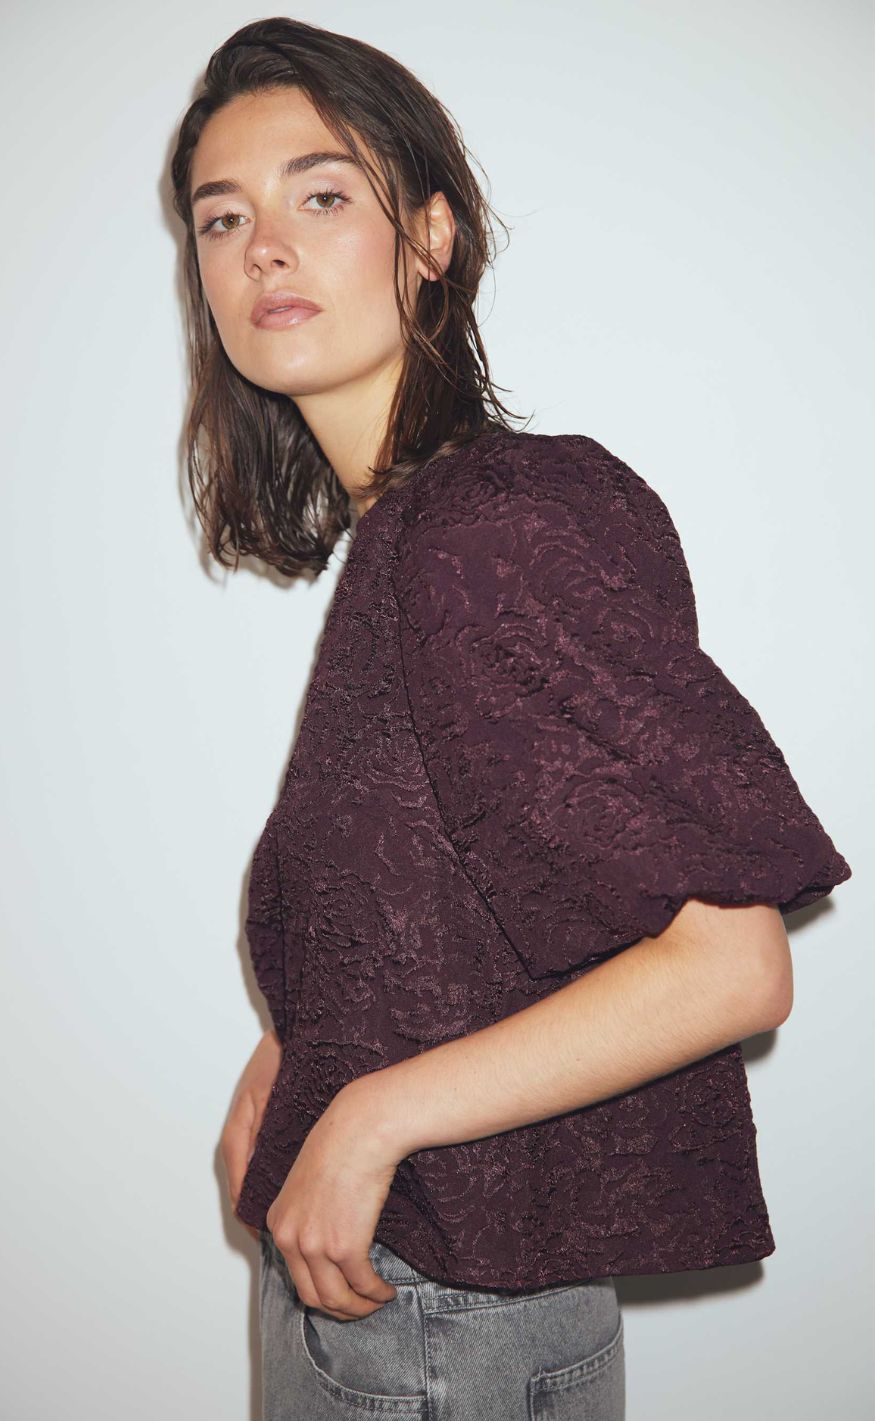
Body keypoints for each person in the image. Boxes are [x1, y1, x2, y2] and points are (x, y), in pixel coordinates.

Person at [170, 18, 852, 1420]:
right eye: (221, 217)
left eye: (320, 195)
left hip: (435, 1325)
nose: (264, 249)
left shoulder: (492, 527)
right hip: (406, 1302)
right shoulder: (411, 541)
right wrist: (305, 1045)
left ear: (431, 236)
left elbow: (729, 964)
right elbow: (465, 922)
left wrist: (370, 1114)